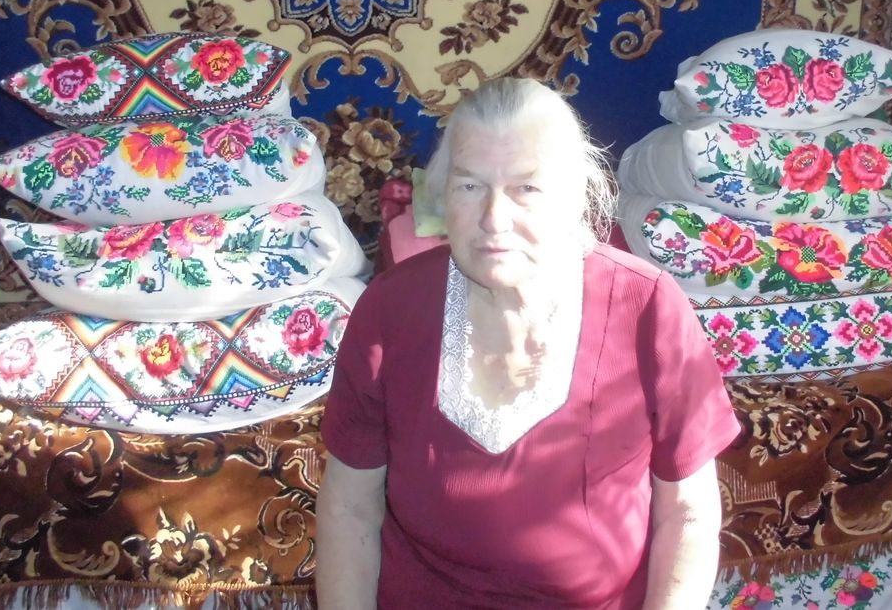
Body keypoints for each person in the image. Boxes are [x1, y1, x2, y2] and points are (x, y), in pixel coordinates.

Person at [316, 77, 740, 609]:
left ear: (575, 197)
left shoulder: (647, 308)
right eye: (470, 186)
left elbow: (688, 515)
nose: (495, 220)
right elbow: (350, 511)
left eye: (527, 188)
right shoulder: (391, 309)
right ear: (442, 193)